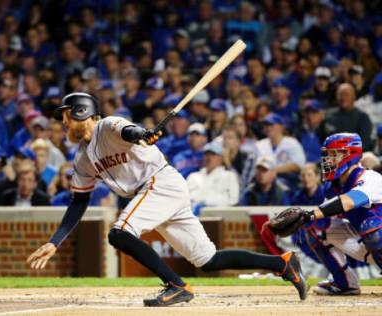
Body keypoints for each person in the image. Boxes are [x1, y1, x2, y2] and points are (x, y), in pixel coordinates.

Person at [26, 92, 308, 307]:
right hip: (154, 191)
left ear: (82, 112)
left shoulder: (107, 125)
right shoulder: (82, 158)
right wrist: (55, 242)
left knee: (119, 233)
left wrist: (142, 134)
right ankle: (282, 263)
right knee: (207, 260)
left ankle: (176, 285)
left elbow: (126, 130)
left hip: (159, 183)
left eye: (65, 115)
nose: (62, 122)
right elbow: (78, 202)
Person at [275, 133, 382, 295]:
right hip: (368, 244)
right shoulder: (332, 187)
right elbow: (324, 216)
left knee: (372, 225)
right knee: (315, 225)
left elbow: (349, 201)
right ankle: (345, 284)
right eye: (328, 154)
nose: (328, 160)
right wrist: (305, 220)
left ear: (350, 155)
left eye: (334, 154)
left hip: (376, 235)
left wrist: (309, 214)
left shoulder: (369, 177)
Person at [186, 142, 239, 215]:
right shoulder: (193, 176)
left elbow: (234, 201)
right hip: (194, 217)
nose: (209, 157)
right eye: (206, 154)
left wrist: (211, 207)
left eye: (213, 154)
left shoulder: (229, 176)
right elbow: (184, 200)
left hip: (219, 216)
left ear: (221, 158)